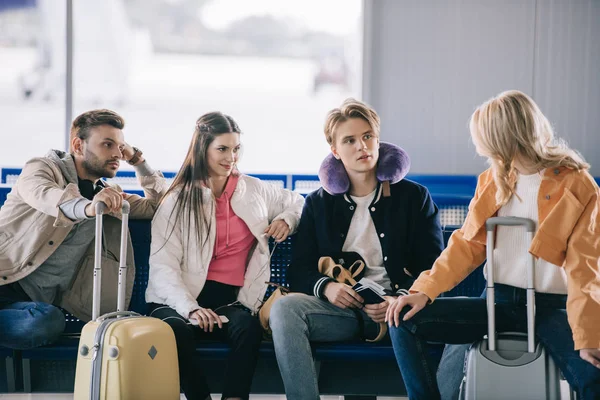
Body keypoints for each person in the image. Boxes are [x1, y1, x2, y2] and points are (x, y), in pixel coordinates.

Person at [386, 90, 600, 400]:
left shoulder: (577, 184)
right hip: (497, 301)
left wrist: (588, 334)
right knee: (403, 320)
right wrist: (422, 291)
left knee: (593, 376)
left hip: (554, 307)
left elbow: (585, 267)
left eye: (482, 138)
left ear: (505, 137)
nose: (477, 146)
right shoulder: (492, 179)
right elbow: (467, 244)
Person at [268, 98, 444, 399]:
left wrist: (399, 298)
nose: (362, 146)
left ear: (377, 140)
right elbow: (298, 270)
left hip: (398, 314)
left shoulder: (414, 198)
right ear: (335, 150)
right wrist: (327, 289)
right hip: (341, 311)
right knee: (284, 309)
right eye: (350, 140)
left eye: (367, 137)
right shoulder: (318, 203)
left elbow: (434, 264)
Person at [145, 111, 304, 400]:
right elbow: (163, 265)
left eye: (236, 149)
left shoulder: (253, 190)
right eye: (222, 149)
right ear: (202, 149)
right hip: (175, 301)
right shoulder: (177, 201)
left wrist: (287, 220)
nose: (231, 158)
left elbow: (297, 201)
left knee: (248, 329)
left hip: (228, 301)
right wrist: (191, 308)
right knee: (175, 332)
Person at [0, 109, 167, 349]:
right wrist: (89, 208)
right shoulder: (42, 169)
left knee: (46, 323)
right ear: (78, 145)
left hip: (26, 307)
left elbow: (161, 205)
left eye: (120, 147)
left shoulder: (108, 197)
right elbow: (48, 197)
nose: (116, 154)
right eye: (107, 145)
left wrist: (138, 160)